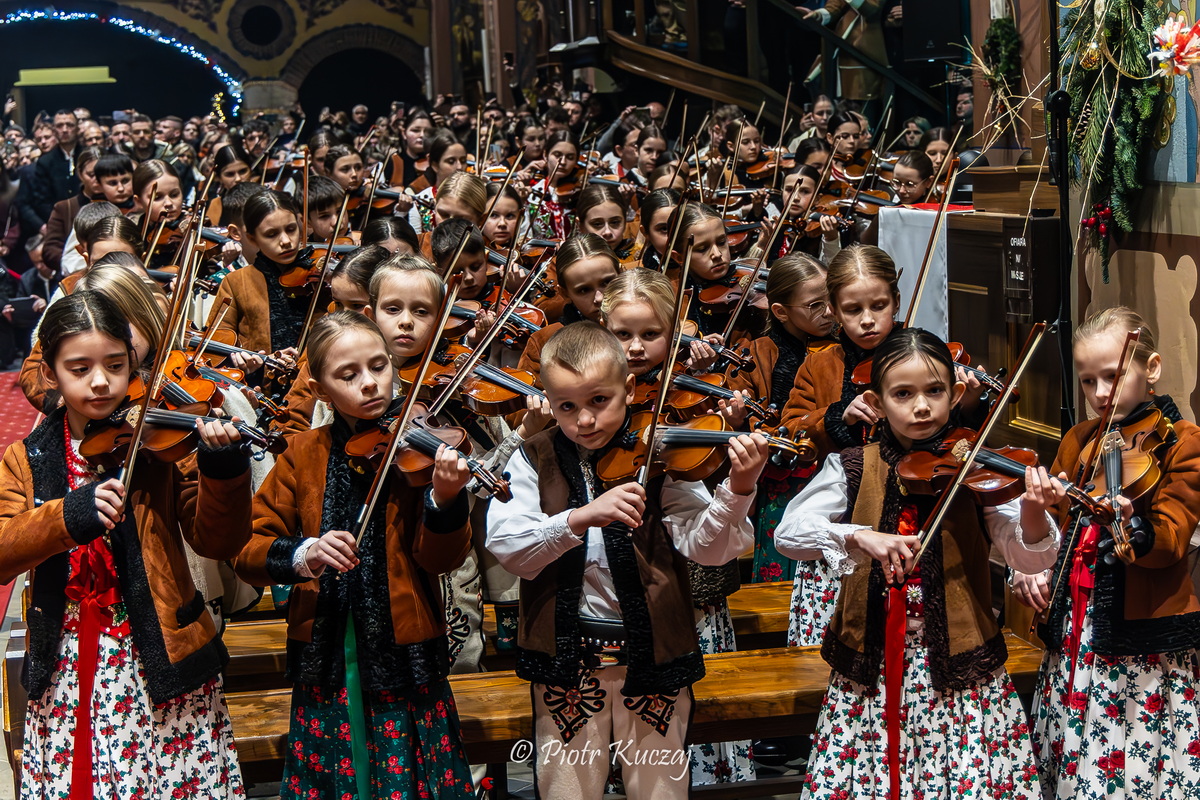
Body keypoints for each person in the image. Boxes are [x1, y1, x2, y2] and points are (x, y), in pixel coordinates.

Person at [487, 320, 768, 799]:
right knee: (567, 791)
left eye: (600, 400)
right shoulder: (533, 457)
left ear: (631, 387)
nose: (585, 421)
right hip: (567, 663)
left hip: (652, 655)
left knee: (659, 791)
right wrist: (577, 519)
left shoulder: (661, 456)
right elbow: (508, 546)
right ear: (549, 401)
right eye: (567, 406)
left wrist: (738, 489)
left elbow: (709, 547)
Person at [773, 327, 1053, 800]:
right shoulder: (852, 465)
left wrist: (1032, 510)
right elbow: (789, 534)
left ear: (956, 394)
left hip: (959, 672)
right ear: (877, 402)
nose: (921, 406)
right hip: (873, 672)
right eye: (903, 394)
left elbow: (1029, 555)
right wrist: (858, 536)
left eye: (934, 391)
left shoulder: (977, 471)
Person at [0, 290, 252, 798]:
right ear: (49, 373)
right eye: (79, 367)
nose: (100, 381)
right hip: (68, 657)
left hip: (156, 648)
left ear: (134, 363)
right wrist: (68, 515)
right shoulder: (26, 457)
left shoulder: (160, 445)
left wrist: (223, 471)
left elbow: (218, 539)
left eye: (115, 365)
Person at [232, 310, 477, 799]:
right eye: (349, 375)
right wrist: (305, 552)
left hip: (403, 650)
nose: (370, 384)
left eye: (379, 366)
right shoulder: (301, 453)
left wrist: (445, 501)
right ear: (321, 389)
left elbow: (438, 560)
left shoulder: (420, 449)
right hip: (326, 647)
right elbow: (247, 547)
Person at [1011, 307, 1200, 800]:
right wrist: (1037, 551)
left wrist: (1132, 526)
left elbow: (1173, 536)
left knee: (1136, 755)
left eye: (1113, 377)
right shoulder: (1079, 441)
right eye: (1088, 380)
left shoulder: (1182, 444)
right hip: (1078, 625)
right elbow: (1053, 531)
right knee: (1078, 746)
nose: (1099, 394)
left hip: (1140, 635)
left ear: (1151, 368)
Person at [599, 268, 754, 785]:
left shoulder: (693, 393)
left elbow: (699, 519)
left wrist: (733, 434)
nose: (638, 348)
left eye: (651, 334)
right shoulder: (585, 399)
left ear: (674, 332)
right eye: (623, 335)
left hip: (674, 585)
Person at [722, 255, 836, 591]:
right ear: (781, 312)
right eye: (815, 305)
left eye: (832, 299)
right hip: (783, 480)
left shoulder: (844, 348)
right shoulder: (757, 354)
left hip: (835, 475)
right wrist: (740, 420)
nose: (830, 312)